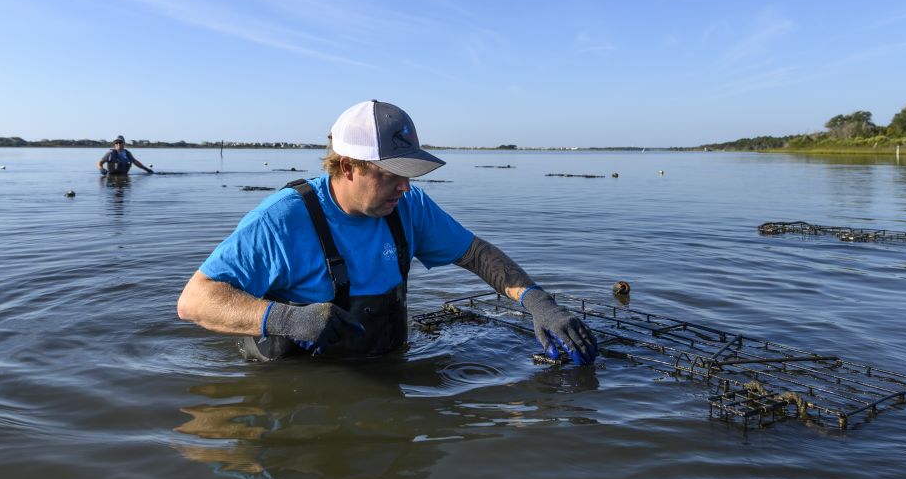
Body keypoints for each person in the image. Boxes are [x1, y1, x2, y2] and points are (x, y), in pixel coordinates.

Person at [177, 100, 598, 364]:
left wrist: (539, 302)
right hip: (297, 381)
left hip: (384, 363)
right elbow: (195, 301)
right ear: (347, 167)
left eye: (410, 173)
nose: (406, 185)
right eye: (393, 174)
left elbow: (475, 254)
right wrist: (287, 317)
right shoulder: (281, 219)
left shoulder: (407, 205)